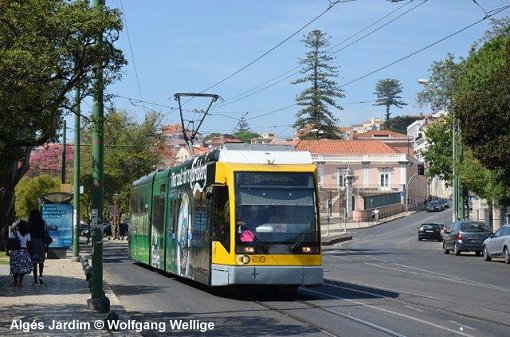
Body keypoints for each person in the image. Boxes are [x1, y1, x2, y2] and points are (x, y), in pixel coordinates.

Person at [8, 220, 33, 287]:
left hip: (15, 252)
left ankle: (15, 280)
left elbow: (10, 241)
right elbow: (29, 244)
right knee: (22, 268)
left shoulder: (15, 233)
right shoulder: (28, 234)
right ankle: (20, 282)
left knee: (15, 267)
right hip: (24, 252)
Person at [28, 209, 47, 285]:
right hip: (41, 243)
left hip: (32, 243)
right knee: (41, 262)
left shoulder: (29, 223)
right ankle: (41, 276)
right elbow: (46, 232)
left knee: (34, 263)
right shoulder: (43, 222)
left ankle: (35, 280)